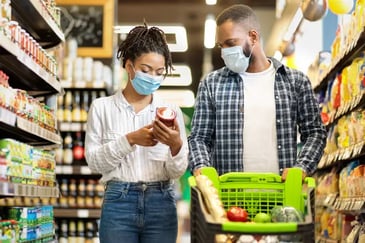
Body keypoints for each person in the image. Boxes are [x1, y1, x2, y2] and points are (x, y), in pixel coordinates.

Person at [188, 4, 327, 180]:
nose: (225, 52)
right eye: (221, 45)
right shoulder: (212, 84)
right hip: (230, 196)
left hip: (280, 195)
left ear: (253, 37)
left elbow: (315, 132)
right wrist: (201, 166)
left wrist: (302, 167)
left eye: (230, 43)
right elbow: (199, 138)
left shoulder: (295, 82)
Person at [84, 23, 188, 243]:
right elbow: (94, 163)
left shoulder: (171, 112)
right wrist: (130, 140)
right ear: (129, 66)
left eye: (159, 72)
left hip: (161, 202)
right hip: (118, 203)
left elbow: (176, 171)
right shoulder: (102, 108)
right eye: (146, 69)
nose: (153, 77)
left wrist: (176, 145)